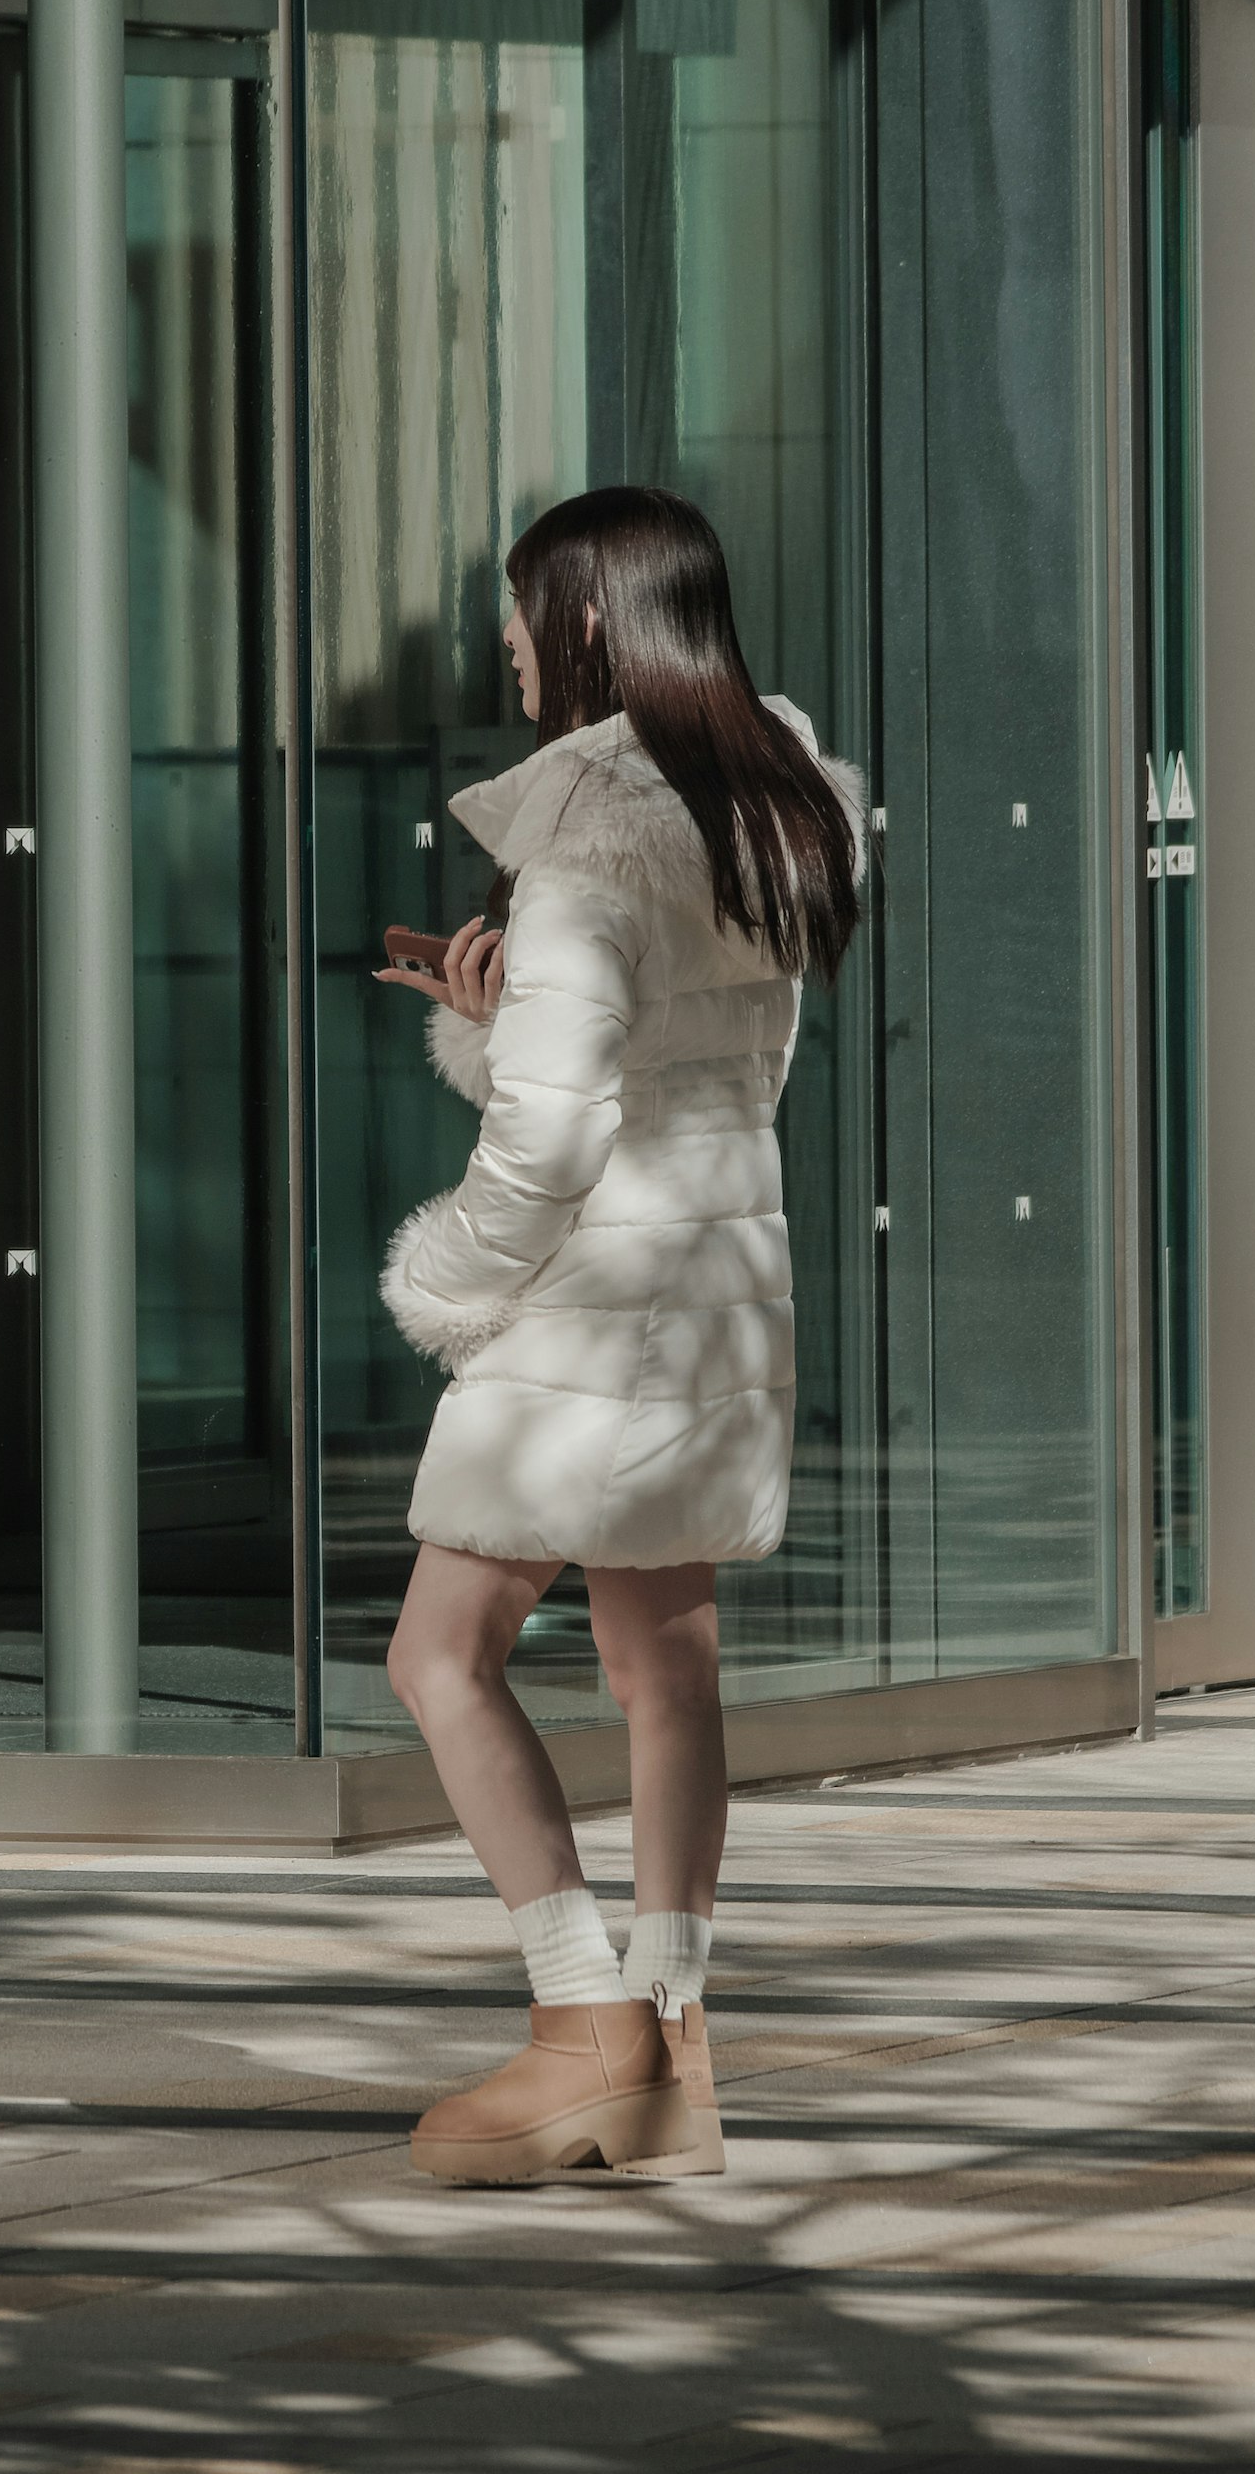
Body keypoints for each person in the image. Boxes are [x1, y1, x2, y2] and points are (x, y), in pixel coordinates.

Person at [371, 484, 864, 2184]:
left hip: (588, 1307)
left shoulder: (585, 841)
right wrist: (502, 1023)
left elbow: (555, 1142)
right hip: (724, 1289)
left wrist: (454, 1273)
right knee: (666, 1668)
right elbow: (712, 1072)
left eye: (520, 613)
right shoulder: (760, 821)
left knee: (440, 1656)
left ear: (586, 622)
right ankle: (676, 2052)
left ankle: (582, 2026)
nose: (501, 643)